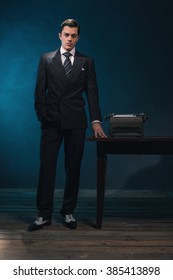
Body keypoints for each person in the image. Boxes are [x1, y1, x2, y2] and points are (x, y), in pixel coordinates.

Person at [28, 19, 106, 231]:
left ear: (78, 37)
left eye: (73, 35)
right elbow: (39, 92)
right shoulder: (46, 59)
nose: (69, 38)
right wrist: (43, 115)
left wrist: (96, 120)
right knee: (47, 168)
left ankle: (68, 211)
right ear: (59, 35)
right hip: (51, 122)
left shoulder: (86, 61)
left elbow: (92, 93)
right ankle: (43, 214)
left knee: (73, 168)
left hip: (76, 122)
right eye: (66, 35)